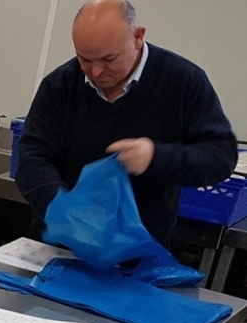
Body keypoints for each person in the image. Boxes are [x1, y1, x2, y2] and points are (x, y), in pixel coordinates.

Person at [16, 0, 238, 244]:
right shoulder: (60, 85)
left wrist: (157, 157)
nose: (96, 71)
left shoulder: (184, 82)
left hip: (137, 249)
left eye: (108, 59)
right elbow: (32, 157)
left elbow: (221, 157)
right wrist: (60, 207)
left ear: (138, 37)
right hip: (60, 242)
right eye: (85, 60)